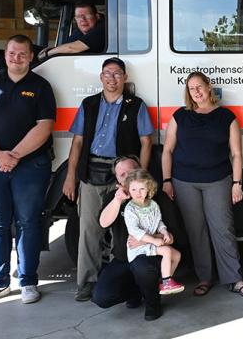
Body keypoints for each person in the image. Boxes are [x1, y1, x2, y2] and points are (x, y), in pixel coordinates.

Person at [0, 34, 56, 306]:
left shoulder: (41, 87)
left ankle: (28, 282)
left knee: (28, 223)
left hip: (31, 165)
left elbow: (44, 126)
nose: (16, 58)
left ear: (31, 56)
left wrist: (14, 156)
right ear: (5, 55)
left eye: (22, 54)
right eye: (11, 53)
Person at [63, 57, 154, 302]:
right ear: (101, 77)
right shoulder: (89, 104)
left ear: (125, 78)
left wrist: (139, 179)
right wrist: (70, 176)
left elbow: (146, 142)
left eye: (117, 74)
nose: (112, 78)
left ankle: (120, 283)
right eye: (107, 73)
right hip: (90, 173)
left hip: (122, 177)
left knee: (121, 232)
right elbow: (78, 142)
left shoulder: (136, 105)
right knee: (89, 230)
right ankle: (86, 283)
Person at [162, 71, 243, 298]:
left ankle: (234, 278)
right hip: (184, 181)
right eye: (191, 88)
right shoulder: (180, 116)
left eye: (199, 86)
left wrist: (237, 183)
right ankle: (204, 278)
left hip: (218, 180)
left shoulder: (226, 117)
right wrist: (166, 180)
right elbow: (167, 150)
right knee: (196, 231)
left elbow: (236, 154)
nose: (196, 91)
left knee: (223, 229)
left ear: (208, 87)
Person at [93, 156, 178, 321]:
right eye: (122, 175)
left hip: (151, 255)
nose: (128, 177)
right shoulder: (114, 198)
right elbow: (103, 223)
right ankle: (136, 291)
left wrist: (147, 239)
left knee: (142, 267)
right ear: (118, 180)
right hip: (123, 258)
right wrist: (118, 200)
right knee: (101, 297)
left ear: (141, 171)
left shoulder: (157, 197)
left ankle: (153, 302)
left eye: (131, 172)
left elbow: (175, 236)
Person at [123, 169, 184, 295]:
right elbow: (134, 231)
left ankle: (164, 281)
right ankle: (167, 282)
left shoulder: (153, 205)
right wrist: (154, 240)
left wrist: (164, 232)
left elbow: (158, 222)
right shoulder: (130, 209)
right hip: (138, 246)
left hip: (152, 242)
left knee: (176, 255)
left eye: (142, 189)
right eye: (133, 189)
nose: (138, 193)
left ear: (148, 188)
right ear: (128, 189)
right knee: (167, 251)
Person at [38, 2, 106, 60]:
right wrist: (53, 49)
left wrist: (47, 53)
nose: (83, 19)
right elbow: (65, 47)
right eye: (78, 16)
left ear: (97, 17)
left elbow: (71, 48)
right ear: (75, 19)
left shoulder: (103, 29)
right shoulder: (78, 32)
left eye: (87, 15)